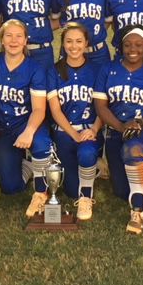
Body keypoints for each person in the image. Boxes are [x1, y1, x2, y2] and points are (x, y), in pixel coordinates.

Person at [94, 25, 143, 234]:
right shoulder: (108, 69)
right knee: (121, 190)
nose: (132, 49)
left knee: (132, 150)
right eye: (127, 44)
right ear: (121, 46)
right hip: (117, 130)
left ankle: (138, 212)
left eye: (138, 45)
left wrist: (140, 123)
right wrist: (120, 126)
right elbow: (100, 106)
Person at [0, 19, 54, 218]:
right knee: (10, 188)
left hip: (28, 122)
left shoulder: (35, 68)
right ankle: (28, 167)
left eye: (18, 36)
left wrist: (29, 132)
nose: (13, 40)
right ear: (1, 39)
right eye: (8, 35)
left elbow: (39, 109)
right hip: (2, 128)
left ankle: (41, 191)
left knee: (40, 145)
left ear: (25, 41)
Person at [47, 23, 103, 221]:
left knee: (87, 152)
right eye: (69, 41)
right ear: (62, 44)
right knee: (71, 189)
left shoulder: (97, 70)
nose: (74, 46)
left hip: (89, 130)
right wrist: (73, 134)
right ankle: (90, 171)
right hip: (65, 132)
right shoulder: (54, 70)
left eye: (79, 41)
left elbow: (102, 108)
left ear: (86, 43)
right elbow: (55, 109)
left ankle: (86, 198)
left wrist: (94, 129)